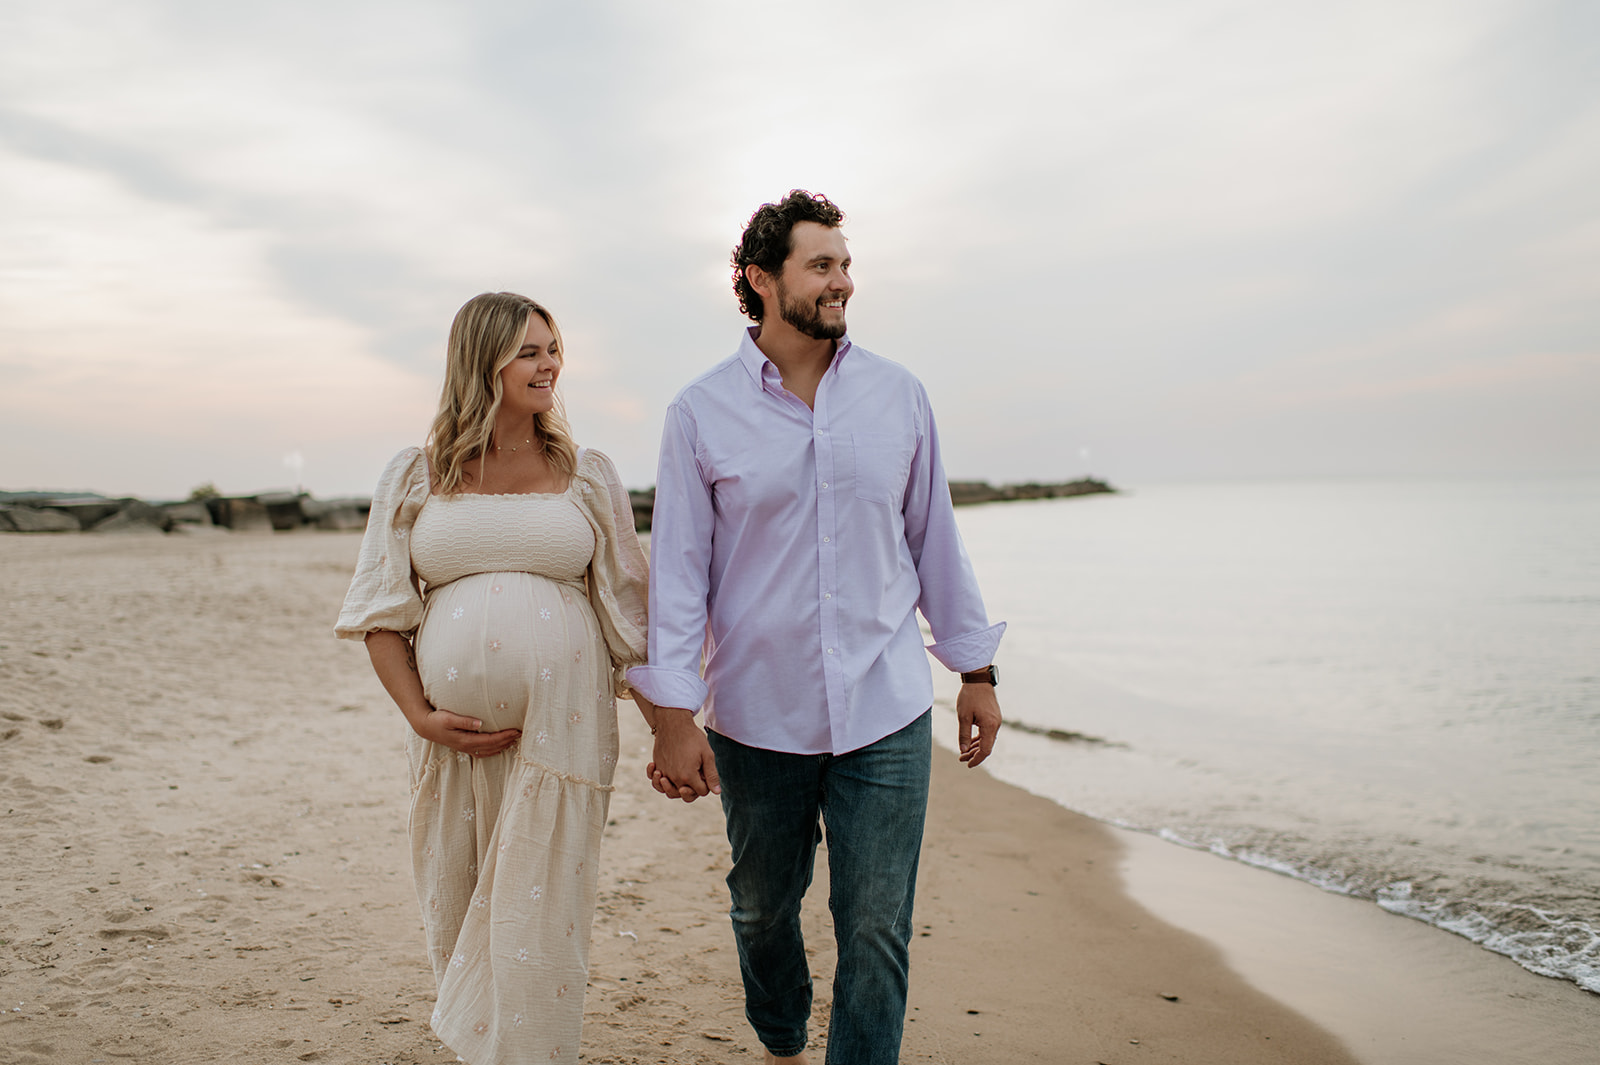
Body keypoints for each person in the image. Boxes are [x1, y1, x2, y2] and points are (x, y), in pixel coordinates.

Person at [626, 191, 1005, 1065]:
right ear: (760, 280)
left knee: (876, 926)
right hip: (758, 714)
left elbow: (934, 541)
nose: (842, 282)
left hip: (886, 705)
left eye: (845, 264)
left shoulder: (898, 395)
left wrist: (975, 671)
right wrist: (674, 714)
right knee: (763, 908)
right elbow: (679, 577)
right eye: (821, 265)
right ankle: (783, 1029)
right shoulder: (700, 413)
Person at [334, 292, 654, 1065]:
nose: (550, 366)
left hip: (562, 741)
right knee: (457, 892)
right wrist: (418, 714)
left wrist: (675, 728)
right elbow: (380, 612)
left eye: (554, 350)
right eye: (531, 352)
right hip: (450, 745)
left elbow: (630, 614)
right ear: (484, 362)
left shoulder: (585, 475)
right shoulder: (418, 473)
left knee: (542, 913)